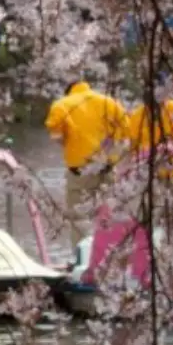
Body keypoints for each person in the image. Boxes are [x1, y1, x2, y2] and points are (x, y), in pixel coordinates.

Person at [45, 79, 129, 239]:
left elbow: (56, 136)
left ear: (68, 91)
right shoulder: (109, 102)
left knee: (79, 218)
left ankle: (81, 257)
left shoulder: (62, 105)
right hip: (107, 168)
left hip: (80, 171)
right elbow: (126, 133)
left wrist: (71, 145)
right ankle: (107, 256)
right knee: (109, 215)